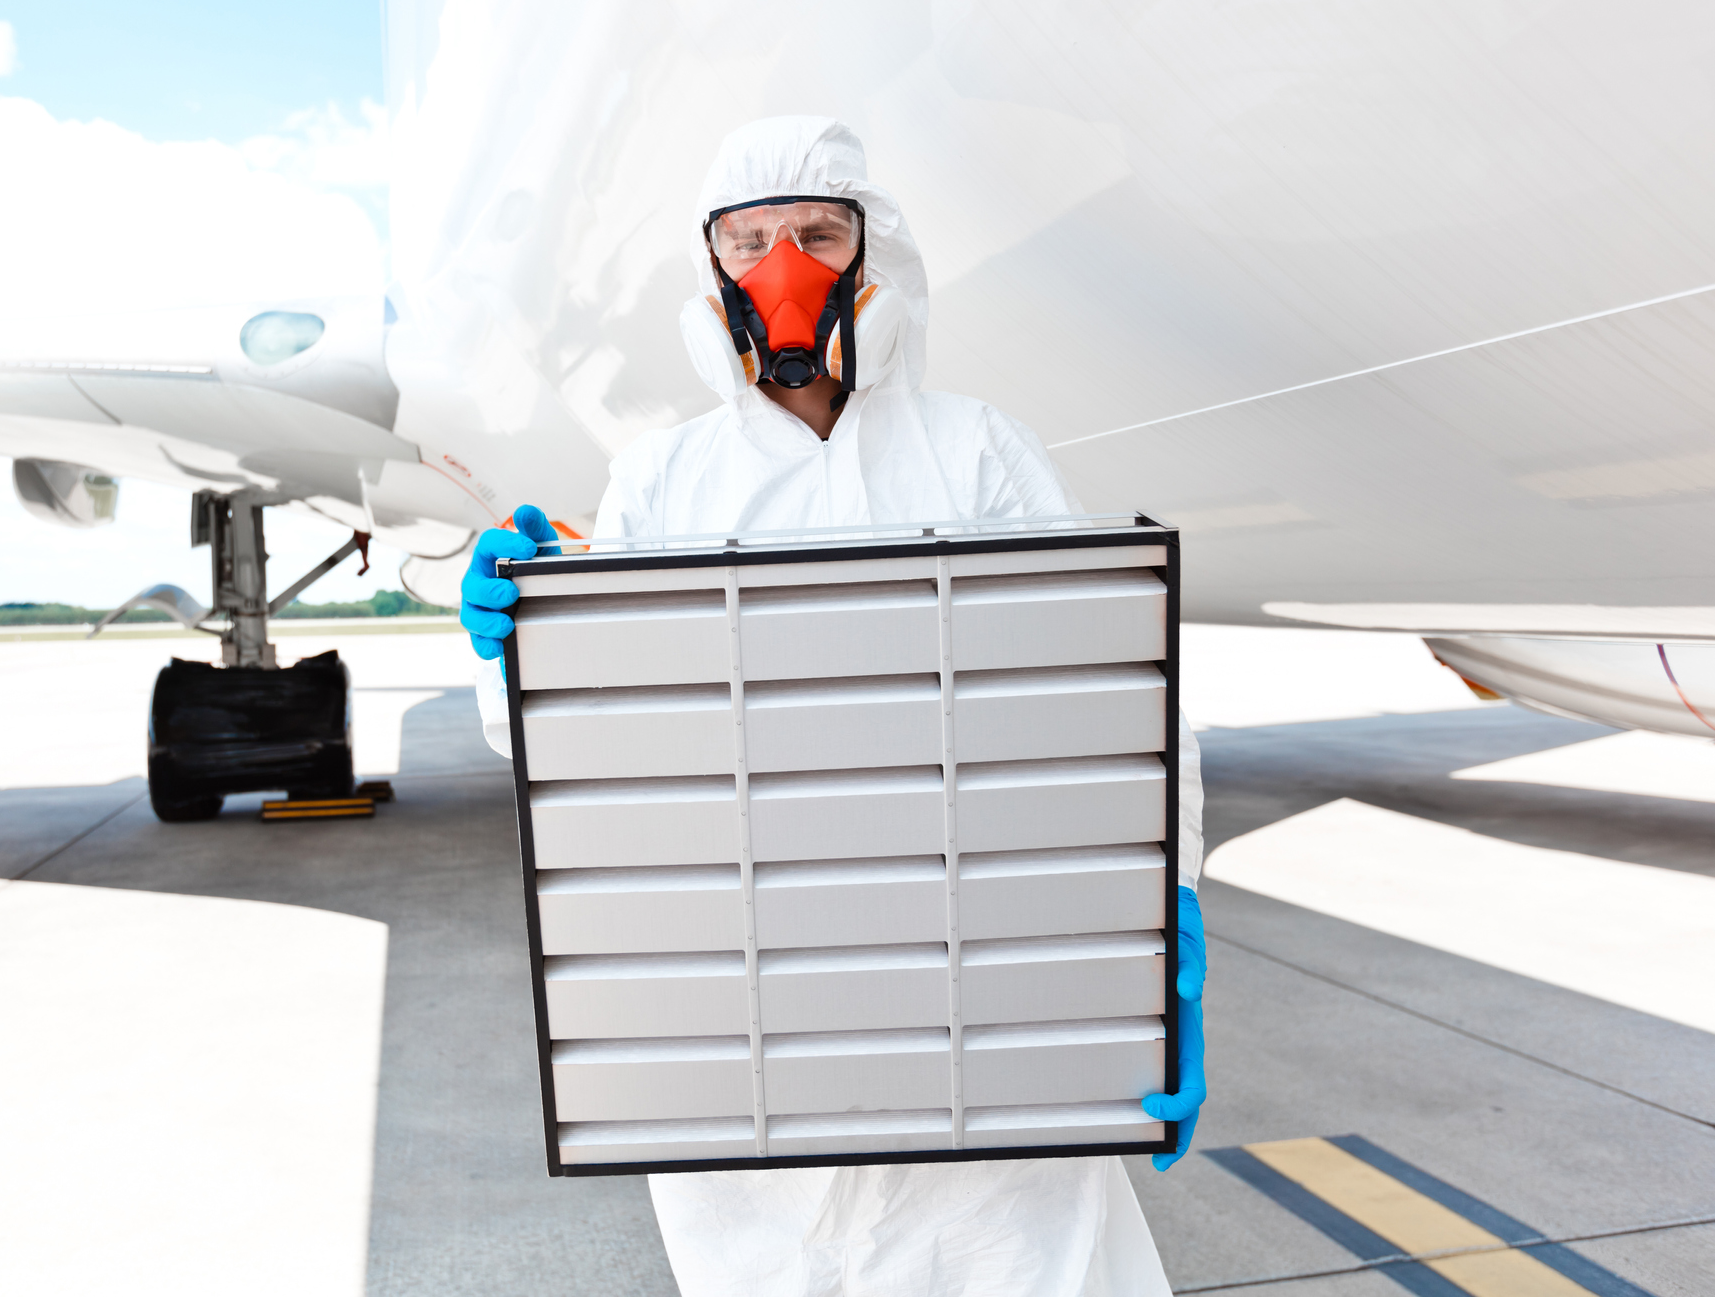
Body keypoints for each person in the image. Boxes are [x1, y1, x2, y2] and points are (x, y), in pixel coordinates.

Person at [464, 116, 1206, 1297]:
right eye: (749, 240)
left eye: (817, 231)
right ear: (711, 275)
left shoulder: (979, 454)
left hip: (983, 1016)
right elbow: (585, 760)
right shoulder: (663, 480)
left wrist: (1162, 928)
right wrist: (516, 649)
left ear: (877, 256)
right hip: (751, 1046)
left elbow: (1116, 693)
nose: (785, 267)